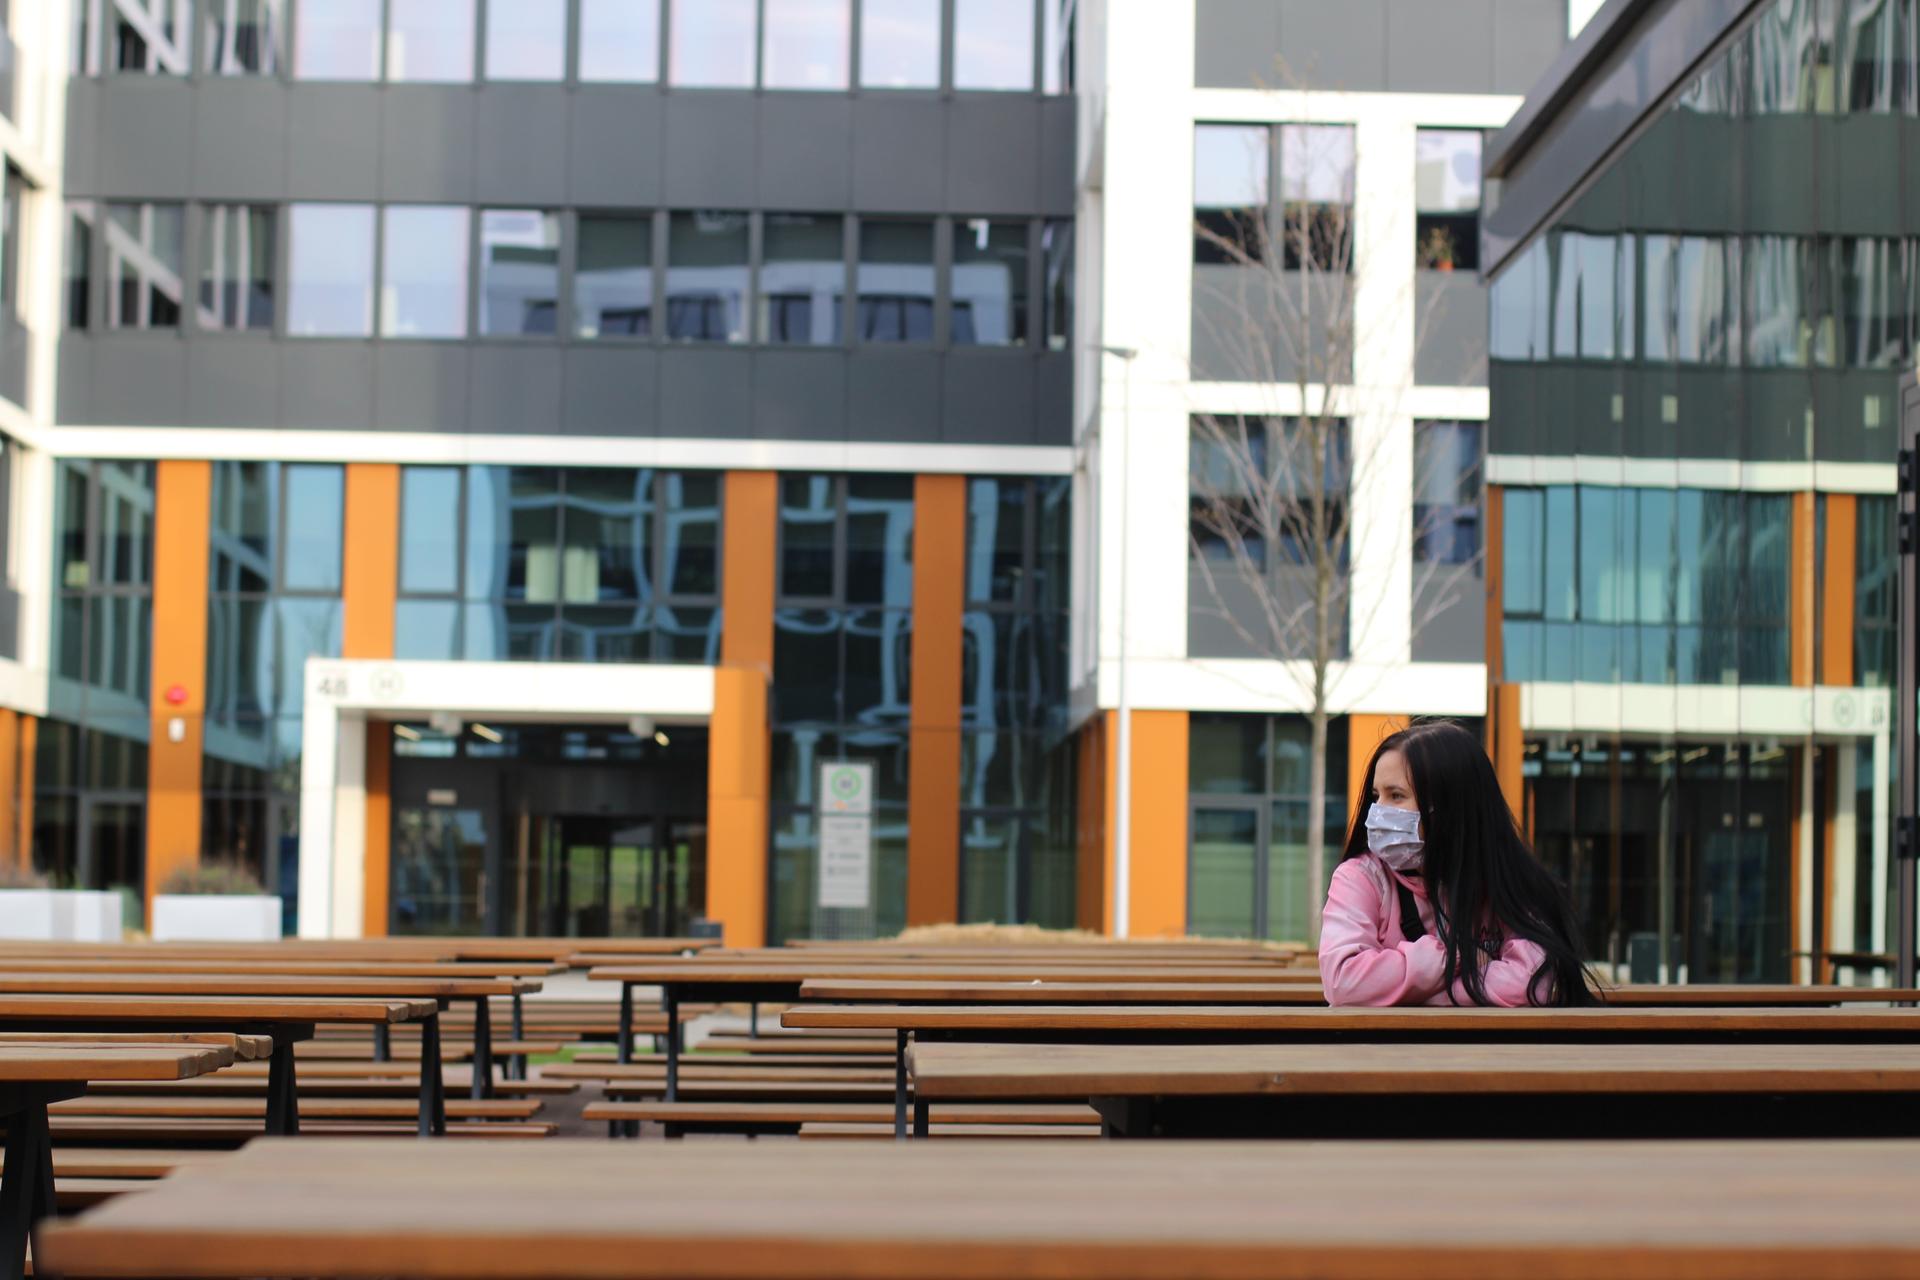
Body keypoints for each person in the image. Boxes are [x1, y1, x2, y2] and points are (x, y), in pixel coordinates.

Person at [1319, 719, 1595, 1007]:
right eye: (1376, 797)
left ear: (1451, 806)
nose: (1377, 813)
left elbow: (1532, 982)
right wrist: (1457, 957)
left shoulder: (1510, 881)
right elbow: (1343, 981)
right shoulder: (1360, 877)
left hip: (1490, 1052)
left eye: (1396, 795)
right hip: (1387, 1051)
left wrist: (1411, 994)